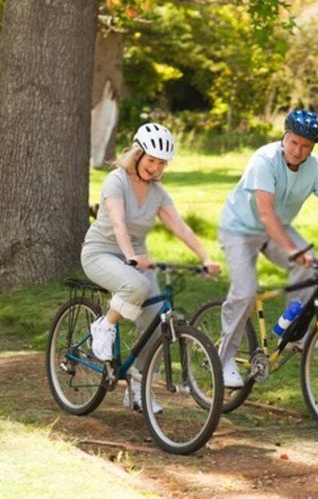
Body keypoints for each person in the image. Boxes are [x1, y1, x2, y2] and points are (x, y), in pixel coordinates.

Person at [217, 109, 318, 388]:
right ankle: (224, 359)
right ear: (284, 137)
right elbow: (264, 212)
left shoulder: (315, 168)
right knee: (246, 291)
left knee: (312, 269)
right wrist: (293, 250)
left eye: (305, 146)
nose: (298, 151)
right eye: (294, 142)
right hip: (240, 229)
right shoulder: (264, 160)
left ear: (312, 148)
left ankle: (290, 330)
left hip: (277, 227)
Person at [81, 122, 221, 412]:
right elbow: (118, 223)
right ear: (137, 154)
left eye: (162, 164)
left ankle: (138, 388)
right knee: (138, 285)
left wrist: (205, 257)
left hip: (136, 258)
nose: (156, 168)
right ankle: (104, 326)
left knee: (158, 321)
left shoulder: (157, 192)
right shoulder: (116, 181)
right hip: (101, 253)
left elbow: (180, 227)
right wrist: (131, 255)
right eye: (152, 160)